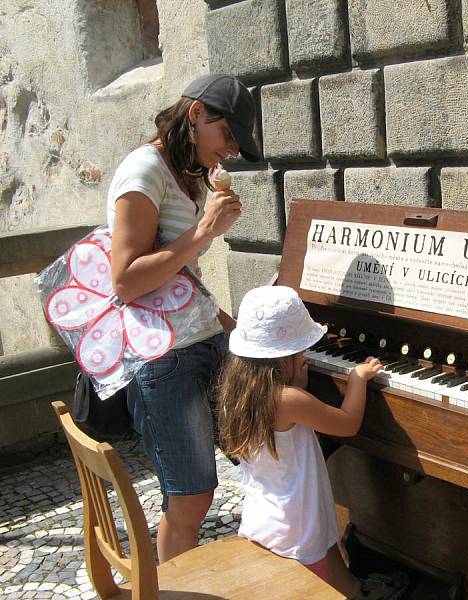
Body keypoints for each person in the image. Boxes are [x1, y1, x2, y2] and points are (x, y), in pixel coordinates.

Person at [107, 73, 261, 562]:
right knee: (190, 496)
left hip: (203, 339)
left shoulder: (187, 171)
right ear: (196, 114)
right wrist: (205, 229)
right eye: (229, 135)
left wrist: (224, 320)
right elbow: (126, 281)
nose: (233, 149)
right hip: (162, 359)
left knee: (260, 450)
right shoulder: (143, 171)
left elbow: (178, 275)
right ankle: (172, 590)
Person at [217, 286, 409, 600]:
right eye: (300, 353)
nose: (305, 357)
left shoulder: (238, 392)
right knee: (323, 578)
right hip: (296, 526)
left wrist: (298, 385)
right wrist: (357, 379)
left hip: (264, 518)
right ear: (282, 359)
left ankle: (354, 586)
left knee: (330, 558)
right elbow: (347, 424)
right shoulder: (289, 398)